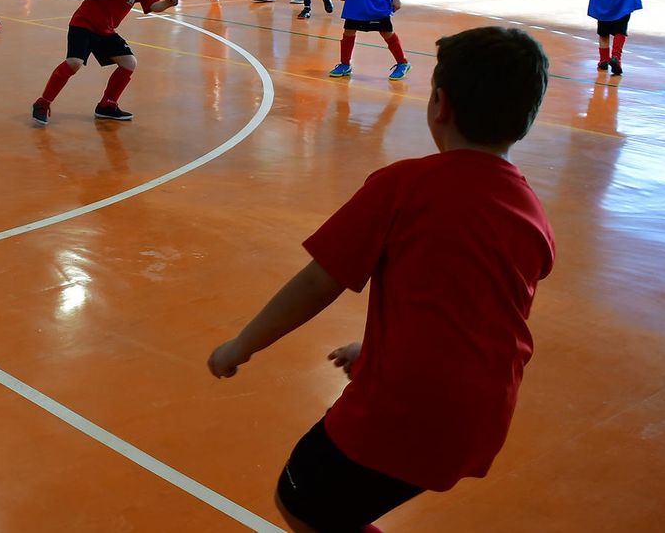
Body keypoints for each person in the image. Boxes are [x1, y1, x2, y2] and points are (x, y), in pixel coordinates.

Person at [207, 26, 554, 533]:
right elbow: (469, 312)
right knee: (335, 510)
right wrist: (376, 350)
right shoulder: (530, 211)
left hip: (405, 410)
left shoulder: (405, 187)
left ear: (440, 104)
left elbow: (316, 284)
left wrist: (242, 345)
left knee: (303, 502)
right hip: (482, 414)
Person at [30, 0, 179, 126]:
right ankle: (43, 103)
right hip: (83, 24)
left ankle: (107, 105)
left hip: (105, 31)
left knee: (129, 62)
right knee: (74, 62)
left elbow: (151, 7)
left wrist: (166, 3)